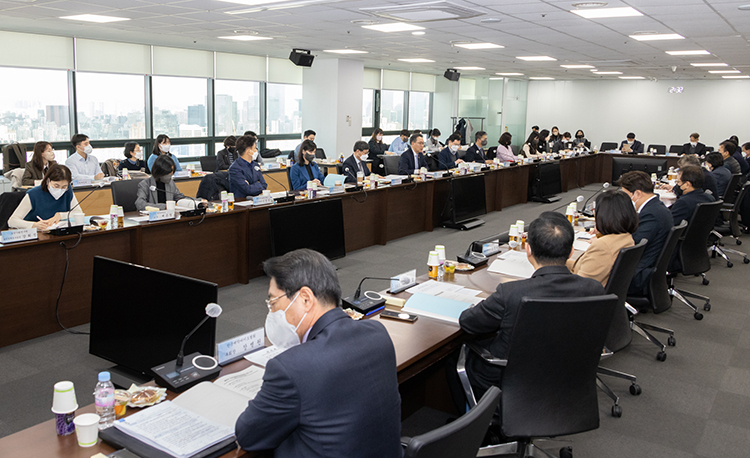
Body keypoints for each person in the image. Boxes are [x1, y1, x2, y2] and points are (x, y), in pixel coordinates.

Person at [235, 249, 402, 457]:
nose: (272, 312)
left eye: (274, 302)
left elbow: (248, 435)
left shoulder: (290, 368)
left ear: (305, 299)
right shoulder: (377, 333)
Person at [455, 211, 605, 402]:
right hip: (568, 371)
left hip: (509, 376)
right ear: (571, 252)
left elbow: (468, 322)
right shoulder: (594, 289)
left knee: (457, 358)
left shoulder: (511, 292)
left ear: (528, 250)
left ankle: (478, 418)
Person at [619, 171, 674, 297]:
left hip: (637, 274)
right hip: (648, 266)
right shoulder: (656, 207)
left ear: (638, 193)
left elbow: (631, 245)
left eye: (626, 196)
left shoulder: (651, 215)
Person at [566, 191, 637, 287]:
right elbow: (588, 266)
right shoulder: (626, 237)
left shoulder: (603, 246)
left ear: (603, 215)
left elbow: (580, 285)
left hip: (586, 293)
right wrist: (557, 262)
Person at [9, 164, 83, 230]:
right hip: (37, 235)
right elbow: (12, 221)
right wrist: (34, 225)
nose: (60, 189)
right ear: (48, 181)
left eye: (64, 187)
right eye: (56, 186)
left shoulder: (68, 191)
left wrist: (61, 215)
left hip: (58, 232)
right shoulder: (33, 194)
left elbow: (78, 212)